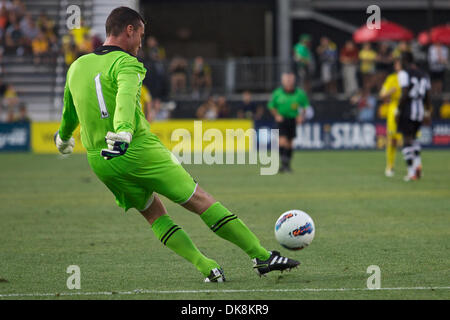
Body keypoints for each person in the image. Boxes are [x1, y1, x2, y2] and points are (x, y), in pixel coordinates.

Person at [54, 6, 299, 283]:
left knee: (152, 214)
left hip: (100, 160)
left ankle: (208, 267)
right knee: (198, 199)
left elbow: (69, 110)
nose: (141, 43)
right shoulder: (127, 64)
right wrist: (123, 132)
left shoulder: (77, 66)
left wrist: (63, 138)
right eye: (141, 35)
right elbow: (124, 99)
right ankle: (262, 256)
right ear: (129, 30)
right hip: (135, 148)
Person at [397, 52, 432, 181]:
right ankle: (418, 166)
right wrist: (428, 112)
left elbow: (405, 93)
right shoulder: (424, 74)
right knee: (414, 137)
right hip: (420, 109)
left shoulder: (404, 73)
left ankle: (411, 172)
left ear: (404, 60)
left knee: (407, 139)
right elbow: (428, 96)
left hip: (408, 108)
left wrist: (398, 110)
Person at [268, 72, 309, 173]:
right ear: (283, 82)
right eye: (287, 80)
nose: (289, 82)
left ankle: (287, 165)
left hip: (293, 119)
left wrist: (301, 116)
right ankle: (283, 163)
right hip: (282, 119)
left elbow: (305, 106)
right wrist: (277, 115)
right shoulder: (277, 93)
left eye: (290, 80)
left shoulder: (299, 93)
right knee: (282, 141)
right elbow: (271, 106)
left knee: (290, 143)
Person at [379, 59, 403, 177]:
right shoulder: (391, 78)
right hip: (394, 108)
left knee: (410, 139)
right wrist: (390, 91)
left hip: (407, 108)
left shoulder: (409, 77)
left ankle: (414, 167)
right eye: (396, 64)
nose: (397, 66)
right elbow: (382, 94)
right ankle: (390, 166)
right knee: (392, 140)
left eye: (399, 64)